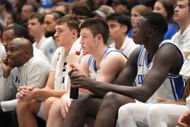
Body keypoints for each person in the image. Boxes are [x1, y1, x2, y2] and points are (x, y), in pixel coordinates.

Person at [63, 12, 186, 127]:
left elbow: (144, 93)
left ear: (150, 32)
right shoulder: (138, 53)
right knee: (82, 100)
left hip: (168, 106)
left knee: (112, 98)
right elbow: (117, 87)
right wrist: (85, 83)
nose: (133, 30)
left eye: (137, 26)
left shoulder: (167, 51)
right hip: (144, 105)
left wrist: (92, 83)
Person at [47, 17, 127, 127]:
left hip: (119, 102)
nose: (80, 41)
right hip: (100, 101)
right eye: (80, 37)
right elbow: (78, 87)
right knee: (57, 105)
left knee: (77, 103)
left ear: (98, 38)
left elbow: (97, 88)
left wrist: (74, 65)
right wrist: (67, 95)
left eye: (84, 37)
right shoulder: (87, 58)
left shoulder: (112, 57)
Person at [16, 14, 80, 127]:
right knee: (24, 102)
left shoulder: (80, 53)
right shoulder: (58, 51)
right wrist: (32, 91)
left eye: (60, 31)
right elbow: (48, 87)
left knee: (51, 101)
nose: (55, 35)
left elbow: (74, 93)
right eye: (55, 31)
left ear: (74, 34)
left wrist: (38, 93)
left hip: (74, 101)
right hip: (55, 99)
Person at [0, 37, 50, 126]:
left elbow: (29, 98)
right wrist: (6, 74)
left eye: (12, 50)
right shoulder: (14, 67)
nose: (8, 54)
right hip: (27, 105)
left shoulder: (36, 64)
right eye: (7, 50)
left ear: (26, 54)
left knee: (16, 110)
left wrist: (1, 105)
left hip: (44, 106)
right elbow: (4, 97)